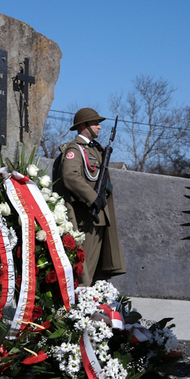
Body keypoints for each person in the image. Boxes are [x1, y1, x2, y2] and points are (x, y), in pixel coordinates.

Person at [54, 108, 126, 287]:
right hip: (86, 215)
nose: (100, 127)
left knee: (95, 269)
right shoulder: (75, 149)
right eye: (95, 123)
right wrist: (93, 198)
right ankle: (82, 306)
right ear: (83, 125)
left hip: (99, 215)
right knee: (83, 268)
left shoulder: (94, 149)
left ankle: (90, 304)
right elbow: (70, 176)